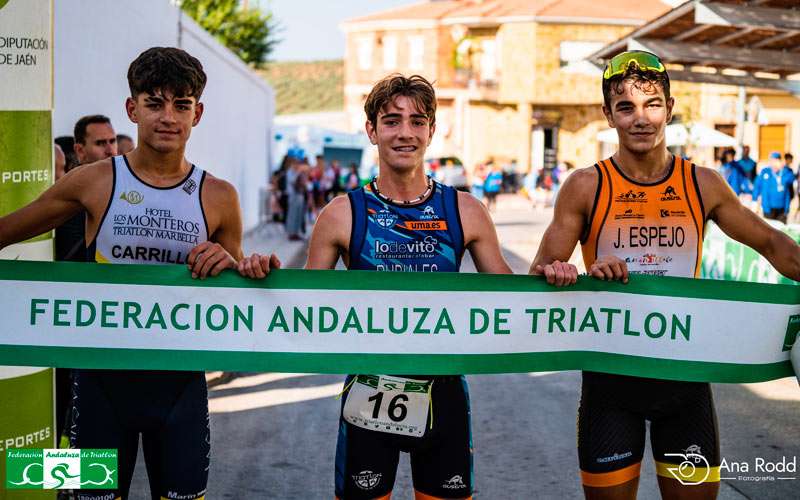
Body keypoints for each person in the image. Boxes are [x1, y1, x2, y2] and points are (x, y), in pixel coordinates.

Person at [241, 73, 573, 500]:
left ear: (431, 131)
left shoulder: (465, 210)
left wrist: (553, 278)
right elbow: (305, 303)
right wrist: (262, 271)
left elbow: (508, 298)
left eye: (417, 121)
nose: (405, 132)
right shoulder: (341, 214)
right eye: (392, 120)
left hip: (444, 394)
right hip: (368, 389)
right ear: (372, 130)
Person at [0, 46, 279, 500]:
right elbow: (7, 231)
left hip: (181, 391)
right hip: (95, 390)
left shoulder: (219, 195)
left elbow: (237, 301)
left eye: (181, 105)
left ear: (198, 113)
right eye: (154, 102)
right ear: (132, 108)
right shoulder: (94, 181)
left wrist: (239, 266)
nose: (168, 117)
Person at [529, 50, 800, 500]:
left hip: (685, 382)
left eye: (653, 104)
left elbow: (773, 245)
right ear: (608, 115)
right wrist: (577, 272)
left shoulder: (703, 184)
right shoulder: (585, 185)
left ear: (670, 109)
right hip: (610, 382)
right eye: (626, 107)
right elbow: (541, 276)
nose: (641, 118)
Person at [753, 151, 795, 223]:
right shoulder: (765, 172)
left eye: (776, 160)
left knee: (781, 232)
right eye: (772, 160)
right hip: (768, 208)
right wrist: (754, 202)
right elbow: (757, 186)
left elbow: (791, 179)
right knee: (769, 231)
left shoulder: (785, 172)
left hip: (782, 208)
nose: (774, 163)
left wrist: (782, 168)